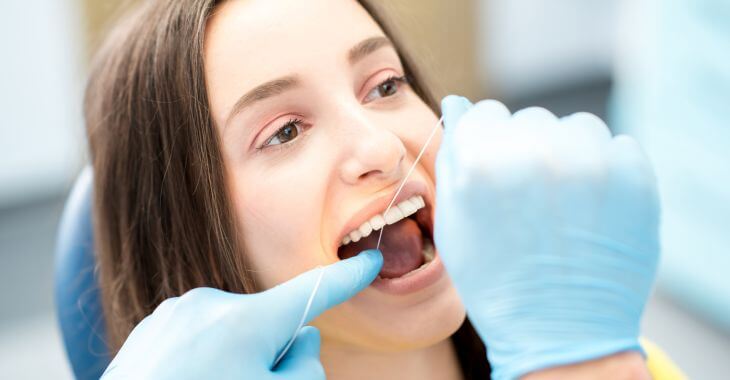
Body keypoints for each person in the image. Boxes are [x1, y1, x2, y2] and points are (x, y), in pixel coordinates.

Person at [86, 0, 682, 378]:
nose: (383, 148)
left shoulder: (610, 353)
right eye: (285, 131)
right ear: (186, 228)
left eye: (384, 85)